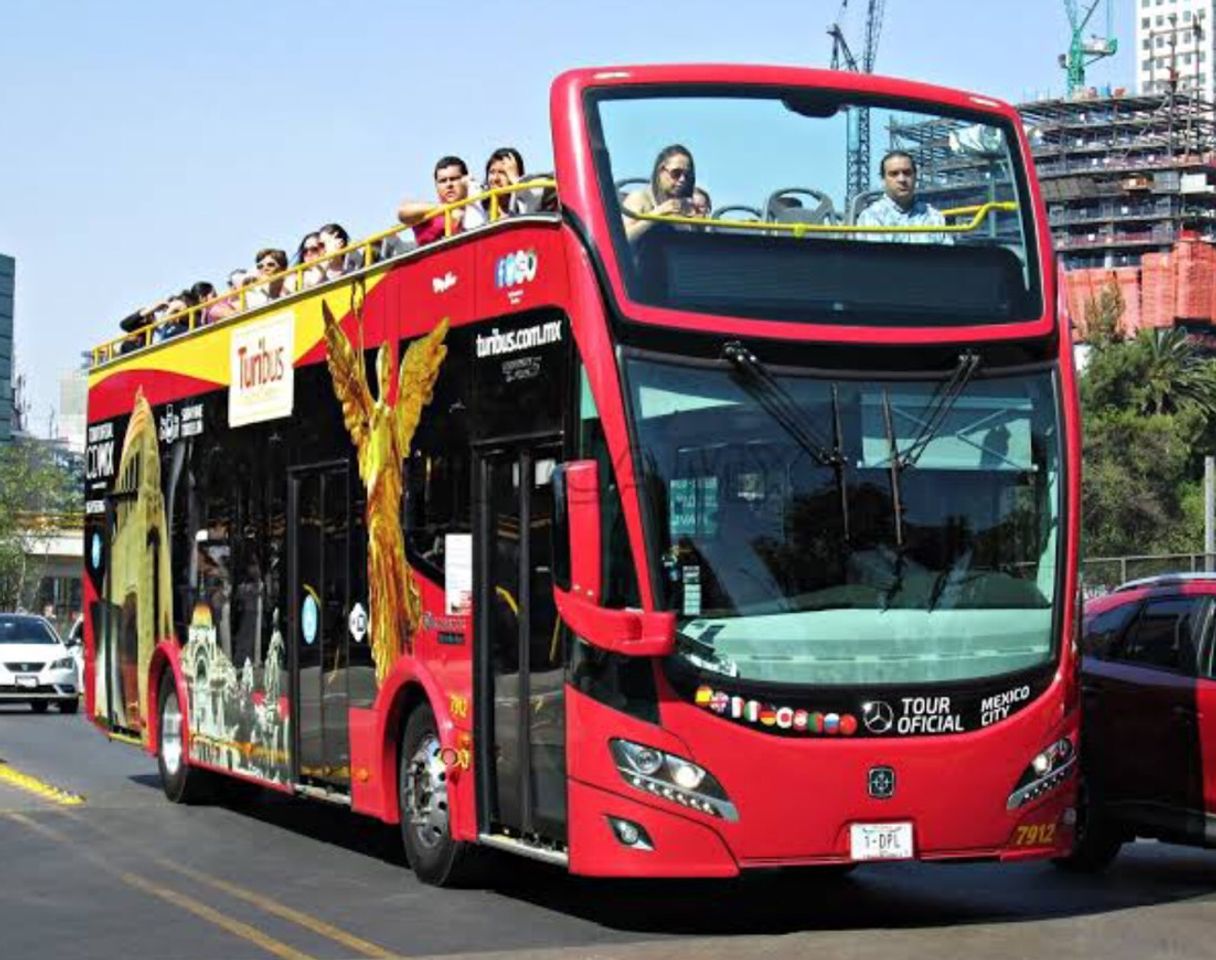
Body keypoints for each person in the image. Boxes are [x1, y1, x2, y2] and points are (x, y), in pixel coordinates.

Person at [856, 151, 952, 244]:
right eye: (894, 174)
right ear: (883, 179)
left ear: (915, 176)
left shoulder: (934, 216)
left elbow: (948, 258)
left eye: (907, 173)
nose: (902, 179)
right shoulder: (872, 217)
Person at [397, 156, 487, 247]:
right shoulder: (430, 215)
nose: (449, 185)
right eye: (443, 181)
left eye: (454, 179)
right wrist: (446, 210)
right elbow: (403, 212)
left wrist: (473, 186)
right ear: (436, 185)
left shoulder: (483, 207)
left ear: (465, 180)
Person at [621, 144, 696, 242]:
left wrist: (695, 224)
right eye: (676, 173)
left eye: (687, 175)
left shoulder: (685, 208)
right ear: (661, 170)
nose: (682, 179)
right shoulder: (640, 198)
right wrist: (658, 214)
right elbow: (621, 239)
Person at [483, 147, 541, 218]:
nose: (496, 179)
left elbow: (534, 206)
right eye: (492, 172)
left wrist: (515, 180)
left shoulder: (523, 206)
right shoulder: (482, 210)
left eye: (502, 172)